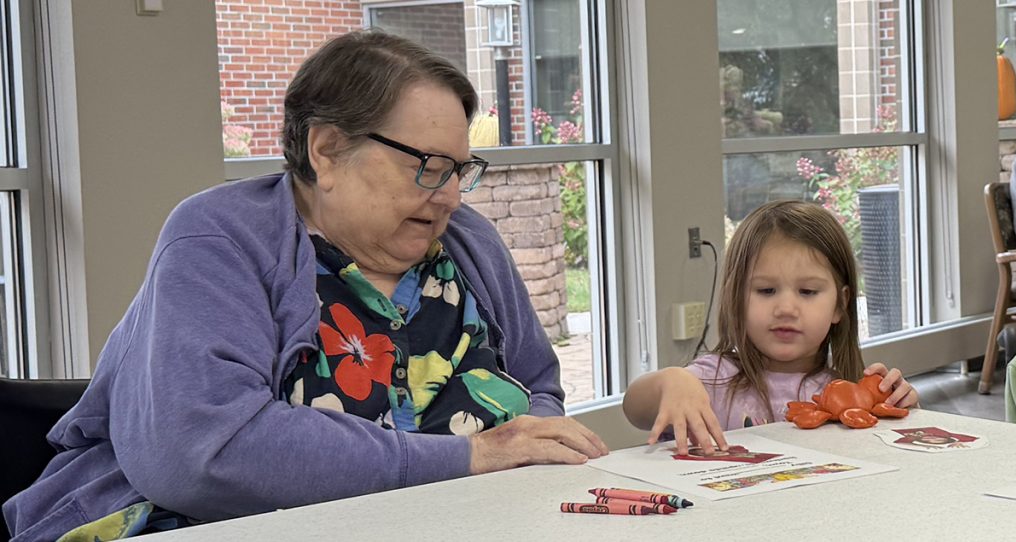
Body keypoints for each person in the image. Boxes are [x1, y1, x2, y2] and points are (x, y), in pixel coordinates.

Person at [3, 30, 608, 541]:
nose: (448, 194)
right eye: (427, 165)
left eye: (459, 170)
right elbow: (201, 454)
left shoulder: (472, 243)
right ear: (326, 149)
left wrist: (524, 462)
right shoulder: (220, 239)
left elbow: (537, 392)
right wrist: (469, 458)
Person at [622, 200, 919, 454]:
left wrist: (905, 410)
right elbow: (634, 409)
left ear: (840, 306)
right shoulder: (711, 380)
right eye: (766, 291)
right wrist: (670, 382)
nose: (786, 309)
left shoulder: (849, 392)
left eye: (807, 292)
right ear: (735, 298)